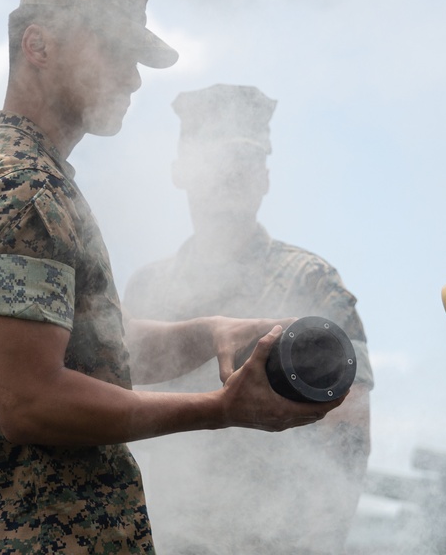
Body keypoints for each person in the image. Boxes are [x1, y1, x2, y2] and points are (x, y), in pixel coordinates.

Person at [0, 0, 341, 553]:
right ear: (39, 45)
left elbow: (84, 346)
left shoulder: (28, 177)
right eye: (113, 48)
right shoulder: (23, 190)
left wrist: (210, 332)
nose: (133, 78)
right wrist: (218, 408)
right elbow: (31, 401)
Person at [123, 84, 374, 555]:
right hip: (161, 537)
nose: (231, 177)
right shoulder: (148, 290)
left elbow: (348, 433)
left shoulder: (310, 281)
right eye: (217, 162)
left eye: (246, 164)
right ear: (182, 173)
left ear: (264, 178)